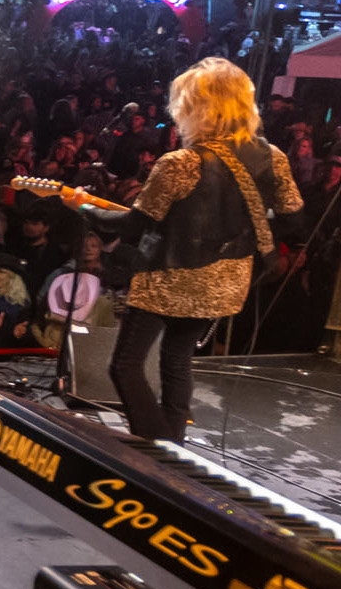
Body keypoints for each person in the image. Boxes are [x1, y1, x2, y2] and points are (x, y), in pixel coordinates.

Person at [65, 57, 302, 442]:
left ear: (197, 109)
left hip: (169, 281)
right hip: (226, 284)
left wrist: (84, 206)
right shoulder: (273, 157)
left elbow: (132, 226)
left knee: (125, 366)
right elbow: (293, 220)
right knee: (177, 359)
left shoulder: (180, 163)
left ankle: (156, 447)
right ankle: (172, 447)